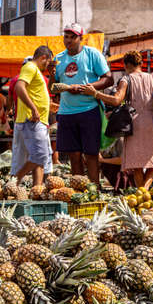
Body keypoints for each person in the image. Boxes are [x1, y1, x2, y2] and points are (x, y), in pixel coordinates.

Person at [81, 50, 153, 190]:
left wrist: (95, 93)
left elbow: (116, 100)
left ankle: (141, 193)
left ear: (126, 64)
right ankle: (144, 192)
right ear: (141, 63)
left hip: (135, 124)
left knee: (137, 165)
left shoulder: (126, 79)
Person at [49, 23, 114, 184]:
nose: (68, 40)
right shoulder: (58, 59)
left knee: (91, 154)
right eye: (66, 37)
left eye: (73, 37)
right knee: (74, 155)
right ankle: (79, 189)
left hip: (89, 110)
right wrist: (51, 75)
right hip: (66, 113)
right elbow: (53, 88)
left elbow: (108, 78)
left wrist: (88, 88)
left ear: (81, 38)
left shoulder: (92, 54)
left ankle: (95, 189)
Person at [11, 46, 53, 186]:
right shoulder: (30, 67)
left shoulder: (36, 71)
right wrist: (34, 108)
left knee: (39, 157)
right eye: (48, 62)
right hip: (31, 120)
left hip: (36, 121)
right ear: (43, 58)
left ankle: (36, 188)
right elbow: (19, 87)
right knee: (40, 156)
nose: (48, 65)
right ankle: (15, 180)